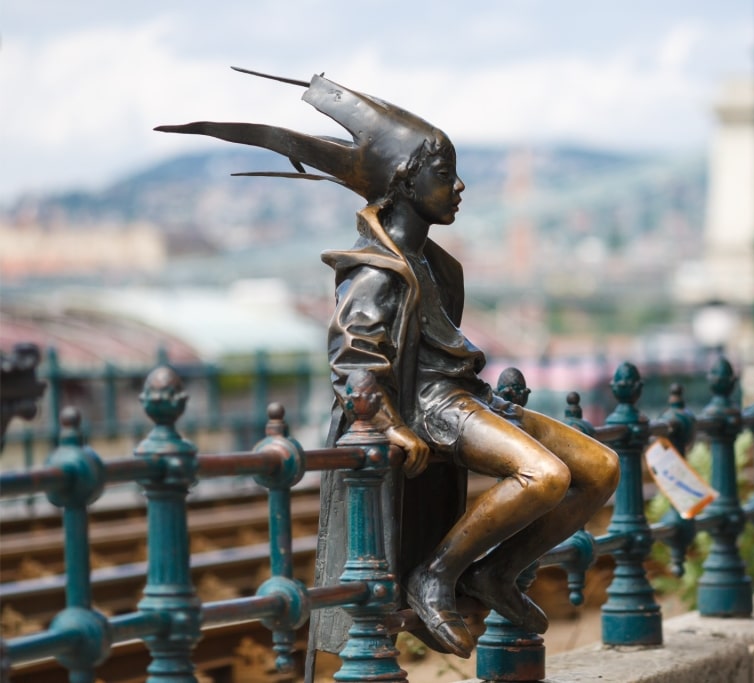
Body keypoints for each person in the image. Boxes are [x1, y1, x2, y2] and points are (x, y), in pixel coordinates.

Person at [157, 70, 620, 659]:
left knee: (601, 468)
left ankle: (492, 575)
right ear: (405, 182)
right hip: (431, 407)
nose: (459, 187)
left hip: (466, 395)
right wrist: (391, 423)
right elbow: (353, 364)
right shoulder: (375, 270)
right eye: (444, 174)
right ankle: (435, 577)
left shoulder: (438, 266)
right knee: (546, 476)